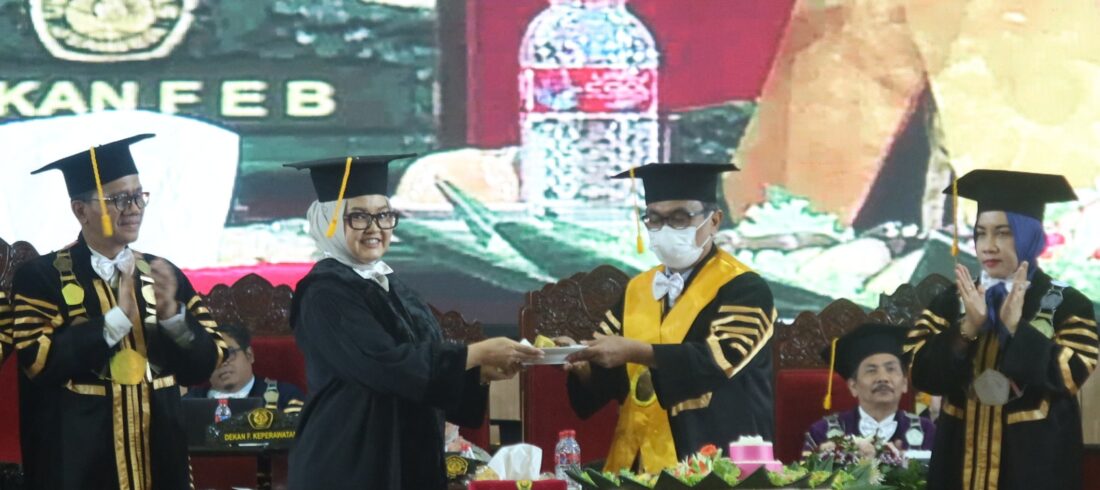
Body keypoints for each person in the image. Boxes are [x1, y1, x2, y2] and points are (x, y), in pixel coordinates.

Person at [283, 155, 543, 489]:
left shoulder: (391, 286)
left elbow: (420, 365)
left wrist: (478, 373)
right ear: (328, 222)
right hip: (350, 457)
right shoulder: (324, 293)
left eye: (384, 215)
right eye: (359, 217)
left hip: (408, 455)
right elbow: (382, 364)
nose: (375, 228)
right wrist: (474, 354)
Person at [9, 134, 226, 490]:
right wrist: (114, 322)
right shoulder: (41, 277)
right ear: (80, 210)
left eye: (139, 196)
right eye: (118, 199)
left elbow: (207, 365)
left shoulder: (162, 273)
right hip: (80, 464)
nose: (134, 208)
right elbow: (39, 362)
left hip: (160, 459)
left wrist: (174, 318)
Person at [561, 163, 776, 474]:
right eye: (654, 218)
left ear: (714, 221)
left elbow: (720, 360)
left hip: (717, 459)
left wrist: (637, 351)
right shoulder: (637, 289)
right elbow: (613, 375)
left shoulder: (745, 288)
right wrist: (583, 365)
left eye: (679, 218)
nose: (665, 229)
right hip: (638, 462)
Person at [907, 170, 1098, 490]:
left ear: (1030, 237)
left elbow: (1070, 375)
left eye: (1004, 233)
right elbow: (921, 374)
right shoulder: (952, 301)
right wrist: (967, 328)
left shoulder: (1067, 303)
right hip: (958, 465)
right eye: (981, 233)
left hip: (1033, 467)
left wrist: (1014, 329)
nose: (989, 246)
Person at [803, 323, 935, 455]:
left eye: (891, 369)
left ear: (905, 383)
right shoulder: (823, 432)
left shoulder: (927, 431)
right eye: (871, 370)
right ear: (853, 386)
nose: (883, 378)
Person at [185, 324, 305, 413]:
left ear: (249, 355)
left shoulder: (285, 396)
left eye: (229, 353)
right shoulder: (189, 403)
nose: (222, 363)